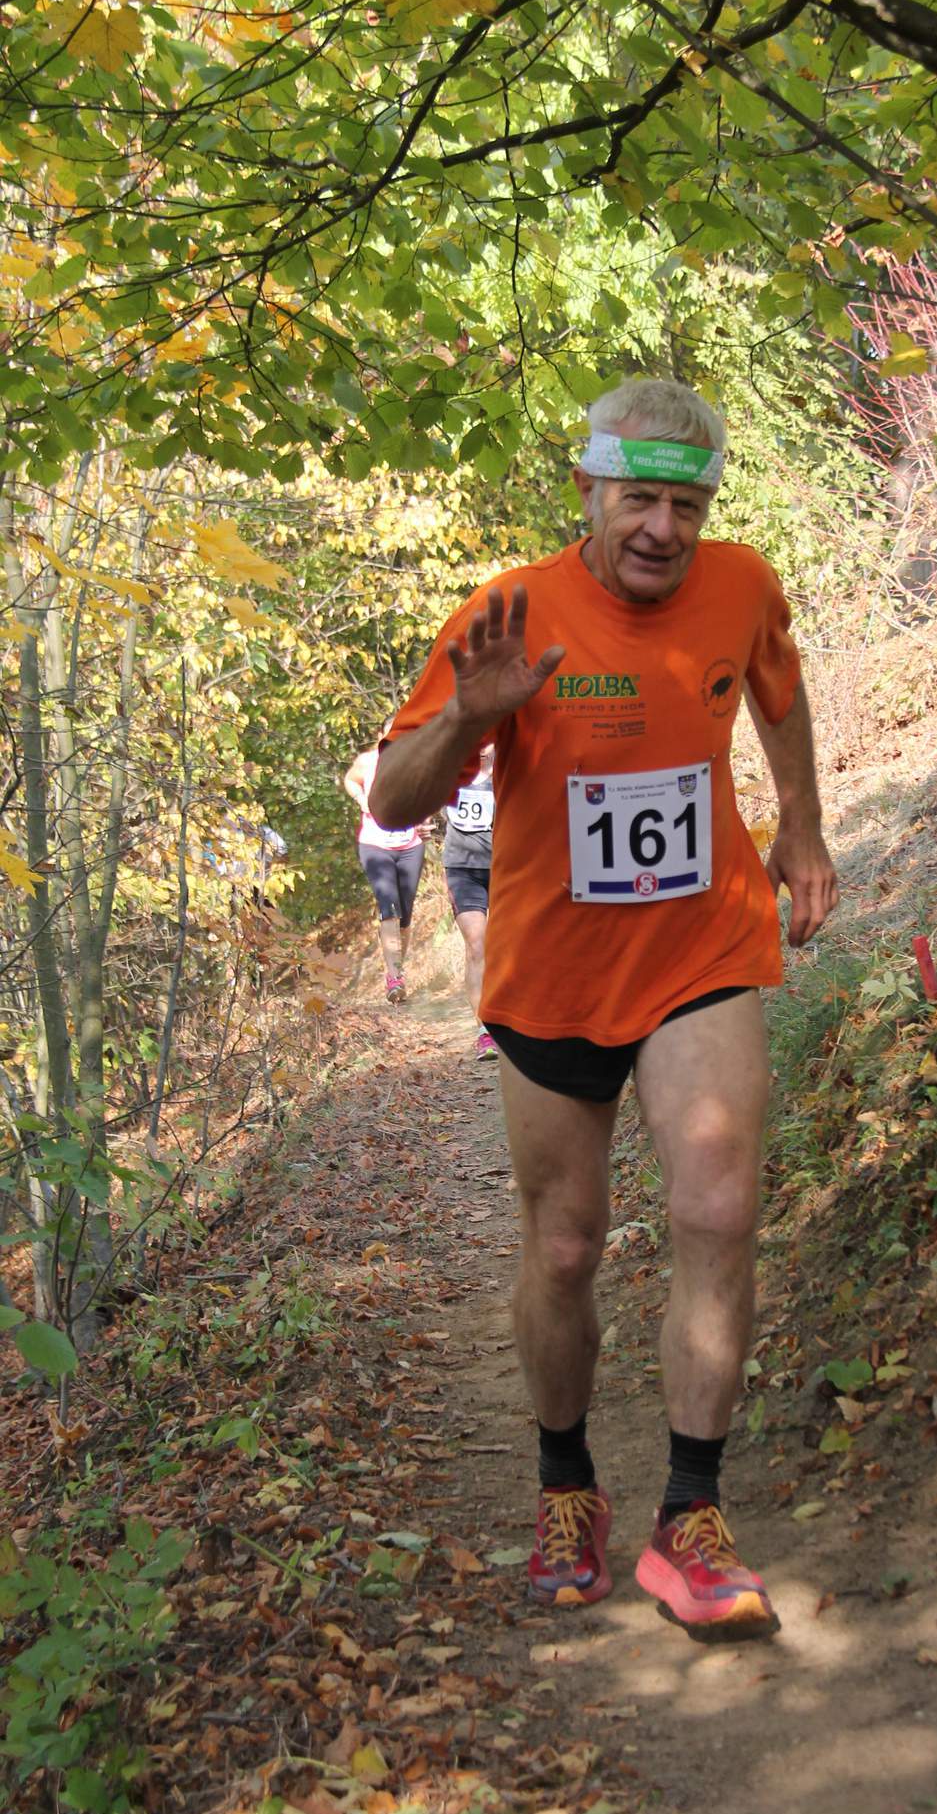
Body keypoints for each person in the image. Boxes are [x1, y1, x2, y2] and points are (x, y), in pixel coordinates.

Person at [371, 378, 838, 1640]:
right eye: (638, 499)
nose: (662, 530)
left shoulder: (741, 585)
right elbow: (397, 799)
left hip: (701, 950)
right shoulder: (508, 615)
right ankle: (565, 1481)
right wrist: (470, 715)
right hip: (555, 972)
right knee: (567, 1244)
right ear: (585, 488)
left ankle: (691, 1516)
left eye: (687, 506)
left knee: (718, 1205)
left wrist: (799, 823)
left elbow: (778, 690)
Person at [344, 726, 426, 1005]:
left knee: (405, 915)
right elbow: (350, 780)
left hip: (410, 846)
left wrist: (425, 820)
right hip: (375, 846)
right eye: (390, 734)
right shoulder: (368, 762)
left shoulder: (415, 762)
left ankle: (398, 968)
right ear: (380, 735)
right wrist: (361, 799)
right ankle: (395, 977)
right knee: (389, 907)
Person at [442, 742, 498, 1061]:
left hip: (504, 867)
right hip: (461, 868)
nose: (481, 748)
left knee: (505, 946)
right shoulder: (452, 772)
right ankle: (484, 1032)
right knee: (477, 945)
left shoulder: (508, 773)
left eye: (488, 741)